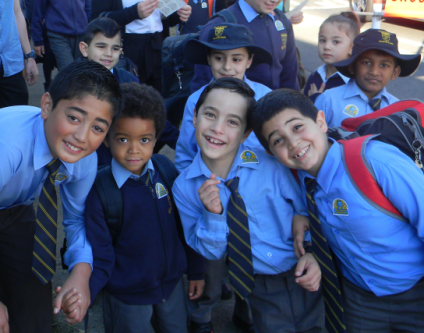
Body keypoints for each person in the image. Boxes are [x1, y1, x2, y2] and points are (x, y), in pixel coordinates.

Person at [0, 59, 120, 333]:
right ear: (46, 105)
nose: (82, 136)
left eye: (98, 128)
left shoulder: (83, 157)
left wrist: (81, 271)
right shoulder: (3, 149)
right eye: (73, 117)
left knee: (35, 313)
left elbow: (77, 217)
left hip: (13, 207)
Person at [252, 88, 424, 333]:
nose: (293, 143)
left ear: (320, 122)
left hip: (416, 294)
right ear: (271, 153)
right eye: (278, 140)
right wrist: (312, 250)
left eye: (297, 127)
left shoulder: (375, 161)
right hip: (359, 299)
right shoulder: (299, 180)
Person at [173, 78, 324, 333]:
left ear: (246, 134)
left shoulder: (272, 166)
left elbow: (307, 208)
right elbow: (210, 252)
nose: (218, 129)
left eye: (232, 121)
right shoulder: (184, 187)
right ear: (195, 116)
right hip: (258, 285)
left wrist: (312, 250)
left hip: (307, 266)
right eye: (210, 115)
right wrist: (213, 216)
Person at [85, 82, 205, 333]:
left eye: (144, 139)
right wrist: (87, 291)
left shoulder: (166, 170)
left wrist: (196, 270)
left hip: (172, 288)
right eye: (122, 138)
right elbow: (99, 251)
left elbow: (185, 226)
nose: (134, 149)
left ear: (156, 139)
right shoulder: (100, 190)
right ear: (106, 139)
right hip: (127, 295)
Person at [79, 17, 180, 165]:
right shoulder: (72, 81)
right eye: (101, 46)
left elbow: (150, 114)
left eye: (115, 48)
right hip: (81, 159)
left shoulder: (128, 80)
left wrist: (181, 144)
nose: (108, 53)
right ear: (85, 49)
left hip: (118, 160)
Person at [175, 22, 272, 173]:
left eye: (236, 59)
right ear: (209, 59)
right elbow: (185, 154)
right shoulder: (195, 100)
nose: (227, 67)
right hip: (209, 185)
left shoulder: (266, 98)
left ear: (249, 61)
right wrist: (193, 188)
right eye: (219, 58)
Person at [190, 0, 299, 94]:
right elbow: (202, 85)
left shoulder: (282, 21)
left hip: (275, 108)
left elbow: (290, 76)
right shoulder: (220, 25)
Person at [91, 0, 192, 93]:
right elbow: (97, 20)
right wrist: (134, 12)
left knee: (158, 100)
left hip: (158, 46)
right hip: (128, 48)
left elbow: (161, 20)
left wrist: (179, 15)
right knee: (129, 100)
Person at [314, 28, 421, 128]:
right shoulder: (329, 100)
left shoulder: (398, 110)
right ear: (352, 67)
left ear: (395, 72)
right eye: (366, 63)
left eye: (384, 65)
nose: (374, 72)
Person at [32, 0, 92, 70]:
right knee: (68, 72)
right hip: (58, 35)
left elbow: (89, 7)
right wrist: (38, 40)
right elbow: (38, 11)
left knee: (81, 71)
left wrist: (91, 33)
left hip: (81, 35)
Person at [304, 12, 360, 103]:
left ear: (352, 47)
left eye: (335, 42)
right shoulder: (316, 75)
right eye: (322, 40)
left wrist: (316, 99)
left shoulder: (354, 83)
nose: (326, 46)